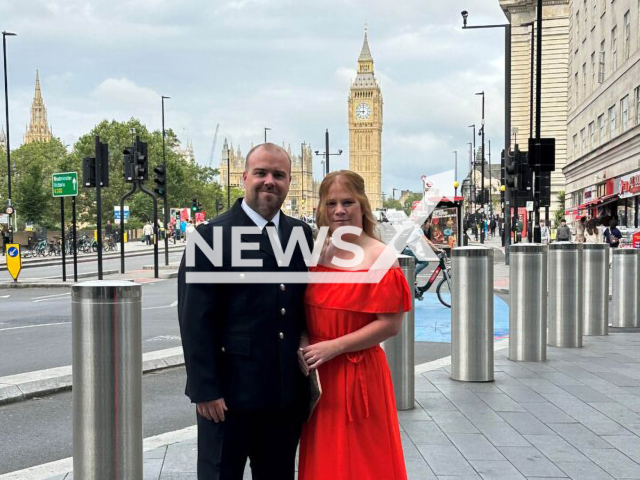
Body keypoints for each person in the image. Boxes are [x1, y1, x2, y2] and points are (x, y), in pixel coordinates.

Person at [177, 143, 313, 479]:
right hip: (228, 399)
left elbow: (305, 303)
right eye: (261, 173)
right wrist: (204, 389)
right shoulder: (209, 236)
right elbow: (194, 320)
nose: (269, 181)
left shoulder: (301, 234)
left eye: (278, 175)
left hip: (283, 397)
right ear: (244, 177)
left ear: (289, 181)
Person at [298, 170, 410, 480]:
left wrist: (335, 346)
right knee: (326, 460)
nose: (339, 210)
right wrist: (305, 341)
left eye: (348, 202)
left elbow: (390, 325)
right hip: (319, 375)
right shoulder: (316, 251)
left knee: (364, 460)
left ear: (362, 206)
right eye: (331, 203)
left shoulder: (380, 256)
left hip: (358, 372)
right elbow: (302, 310)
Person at [402, 217, 442, 300]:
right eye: (428, 223)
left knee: (415, 267)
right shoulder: (418, 230)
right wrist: (437, 250)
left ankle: (414, 291)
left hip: (410, 250)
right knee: (424, 262)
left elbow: (425, 243)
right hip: (409, 251)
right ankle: (411, 276)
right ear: (424, 223)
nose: (429, 225)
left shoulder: (418, 230)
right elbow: (426, 241)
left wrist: (434, 248)